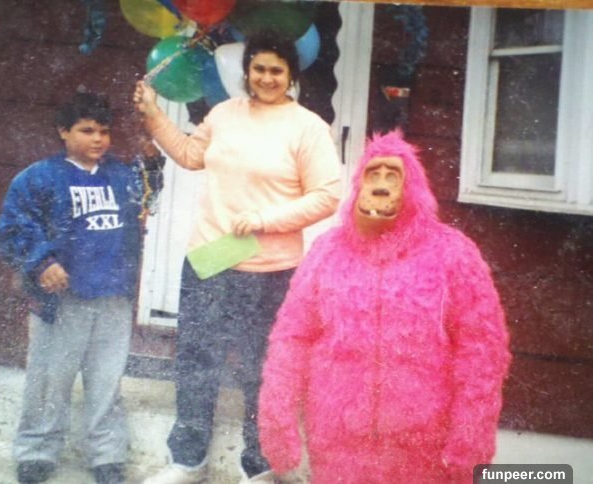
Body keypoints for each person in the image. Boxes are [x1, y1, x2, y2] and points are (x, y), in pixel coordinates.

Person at [133, 30, 341, 484]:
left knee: (260, 371)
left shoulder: (308, 127)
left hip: (270, 269)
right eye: (258, 68)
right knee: (196, 363)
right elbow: (191, 155)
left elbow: (327, 196)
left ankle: (258, 466)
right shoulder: (224, 113)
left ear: (291, 75)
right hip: (210, 258)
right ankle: (187, 462)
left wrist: (266, 218)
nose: (266, 78)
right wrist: (153, 115)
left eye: (276, 70)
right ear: (246, 72)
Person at [258, 130, 512, 483]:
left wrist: (470, 443)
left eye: (392, 176)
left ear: (414, 188)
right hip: (337, 446)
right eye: (372, 174)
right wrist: (278, 427)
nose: (380, 186)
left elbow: (482, 350)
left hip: (423, 449)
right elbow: (291, 338)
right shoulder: (327, 251)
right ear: (357, 185)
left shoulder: (452, 253)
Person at [0, 92, 163, 484]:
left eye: (104, 131)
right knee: (49, 379)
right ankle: (37, 450)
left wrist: (152, 163)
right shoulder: (39, 176)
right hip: (62, 298)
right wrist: (43, 262)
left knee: (106, 381)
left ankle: (107, 455)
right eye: (87, 131)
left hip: (112, 294)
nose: (98, 139)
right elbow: (14, 227)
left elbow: (148, 198)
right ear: (63, 131)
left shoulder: (119, 174)